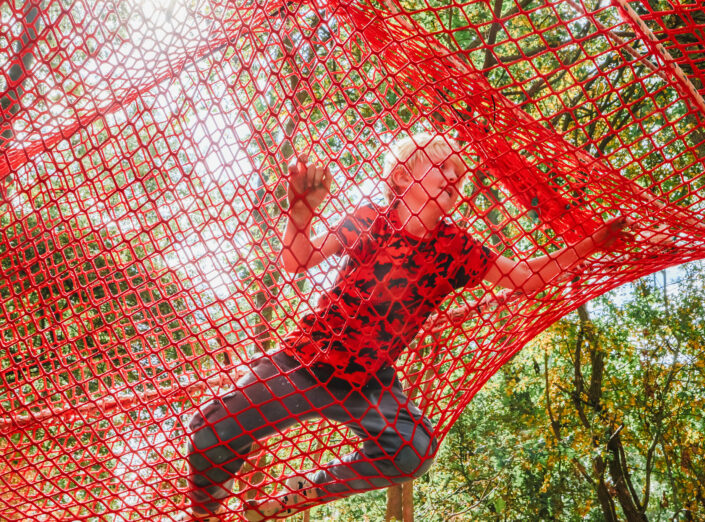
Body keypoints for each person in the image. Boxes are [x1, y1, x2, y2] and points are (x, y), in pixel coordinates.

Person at [178, 134, 630, 520]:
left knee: (413, 450)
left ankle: (309, 488)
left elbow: (526, 279)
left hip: (368, 384)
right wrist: (300, 213)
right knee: (207, 435)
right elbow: (297, 260)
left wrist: (590, 245)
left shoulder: (456, 247)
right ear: (400, 178)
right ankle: (209, 501)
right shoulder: (370, 219)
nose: (453, 175)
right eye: (440, 165)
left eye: (458, 171)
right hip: (305, 363)